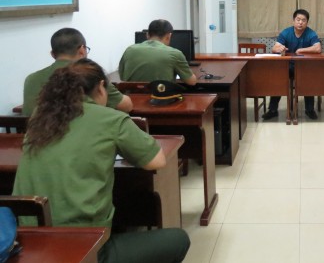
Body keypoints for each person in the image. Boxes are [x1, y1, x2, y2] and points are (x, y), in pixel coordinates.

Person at [13, 59, 190, 263]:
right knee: (178, 240)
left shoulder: (40, 116)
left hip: (27, 242)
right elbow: (156, 161)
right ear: (100, 87)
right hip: (82, 247)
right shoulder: (111, 119)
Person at [23, 28, 132, 116]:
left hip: (37, 135)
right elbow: (126, 106)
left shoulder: (31, 79)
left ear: (52, 54)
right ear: (82, 50)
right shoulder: (90, 75)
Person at [263, 9, 322, 121]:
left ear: (307, 22)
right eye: (298, 20)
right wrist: (280, 48)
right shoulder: (286, 32)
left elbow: (318, 48)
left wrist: (301, 50)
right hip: (288, 66)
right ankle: (272, 110)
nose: (300, 22)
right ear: (293, 20)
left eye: (303, 20)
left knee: (309, 79)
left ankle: (309, 109)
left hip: (305, 67)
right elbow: (274, 48)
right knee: (278, 78)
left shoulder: (311, 33)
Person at [119, 19, 197, 85]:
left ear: (147, 35)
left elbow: (122, 76)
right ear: (169, 36)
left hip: (132, 96)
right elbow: (192, 82)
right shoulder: (175, 54)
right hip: (161, 97)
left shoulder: (129, 50)